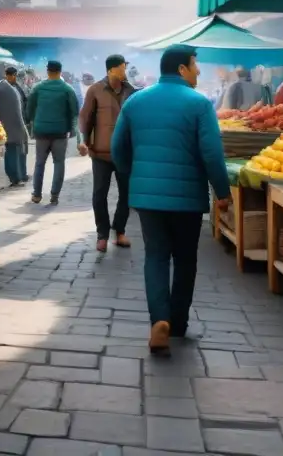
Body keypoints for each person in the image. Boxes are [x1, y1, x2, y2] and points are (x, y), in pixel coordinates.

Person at [111, 45, 231, 355]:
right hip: (188, 198)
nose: (199, 70)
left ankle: (158, 320)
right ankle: (177, 322)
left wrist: (133, 177)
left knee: (156, 256)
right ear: (181, 69)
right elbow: (212, 155)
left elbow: (118, 149)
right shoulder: (200, 104)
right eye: (195, 64)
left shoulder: (135, 102)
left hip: (147, 200)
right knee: (186, 258)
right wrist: (223, 191)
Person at [79, 55, 136, 252]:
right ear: (111, 70)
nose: (124, 71)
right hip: (101, 153)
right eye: (122, 68)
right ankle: (102, 234)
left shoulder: (131, 90)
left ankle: (119, 231)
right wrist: (84, 142)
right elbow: (85, 118)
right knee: (99, 194)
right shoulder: (95, 90)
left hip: (124, 153)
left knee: (127, 195)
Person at [26, 60, 80, 205]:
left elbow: (29, 109)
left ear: (47, 71)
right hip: (60, 133)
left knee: (39, 163)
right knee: (59, 163)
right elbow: (75, 111)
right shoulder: (67, 89)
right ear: (60, 72)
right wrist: (73, 130)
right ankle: (54, 195)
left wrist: (33, 123)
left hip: (41, 132)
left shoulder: (38, 88)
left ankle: (37, 195)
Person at [0, 68, 30, 186]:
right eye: (14, 76)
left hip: (11, 125)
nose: (15, 78)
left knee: (15, 152)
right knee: (13, 152)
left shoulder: (6, 87)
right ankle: (15, 178)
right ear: (11, 75)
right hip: (12, 125)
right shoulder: (6, 89)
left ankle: (20, 175)